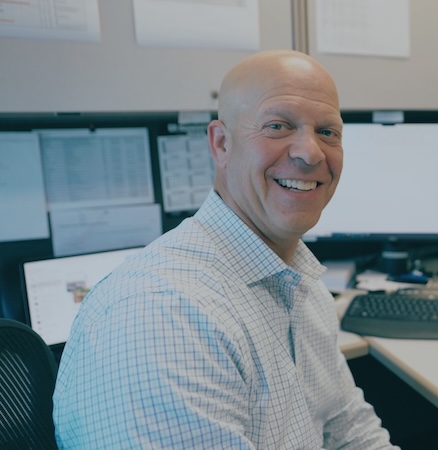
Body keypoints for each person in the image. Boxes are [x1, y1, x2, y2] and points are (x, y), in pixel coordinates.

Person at [53, 50, 398, 449]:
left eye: (328, 132)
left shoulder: (303, 287)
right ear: (221, 144)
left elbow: (349, 430)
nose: (311, 152)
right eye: (277, 126)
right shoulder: (164, 313)